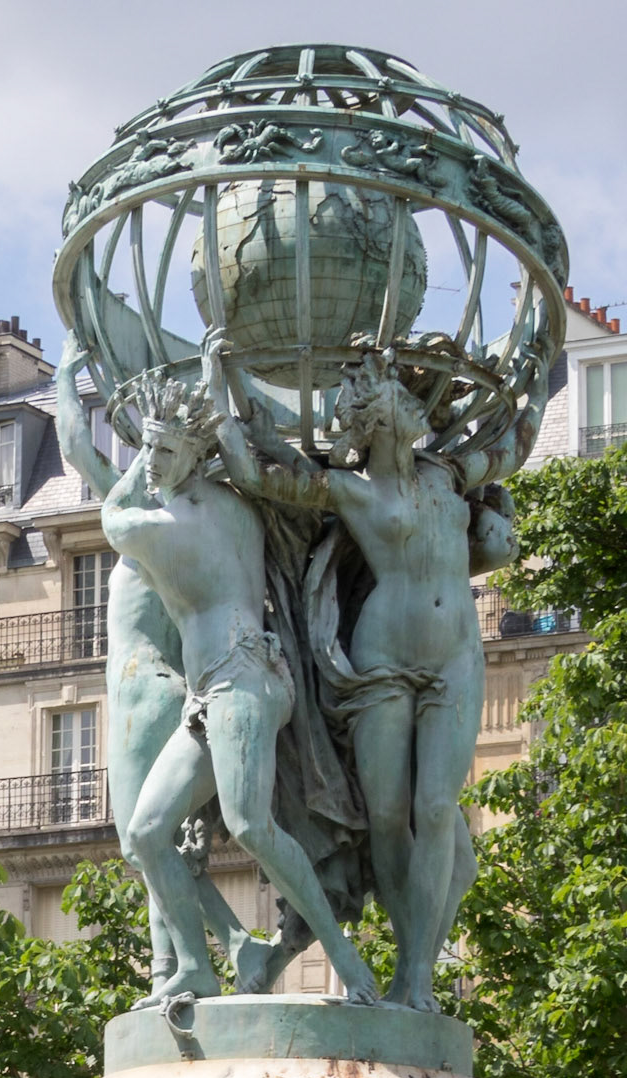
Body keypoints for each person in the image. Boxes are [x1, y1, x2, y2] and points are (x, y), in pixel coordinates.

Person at [212, 339, 541, 1011]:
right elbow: (254, 473)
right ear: (377, 417)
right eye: (395, 400)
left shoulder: (448, 476)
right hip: (380, 661)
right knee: (389, 817)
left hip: (454, 657)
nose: (411, 409)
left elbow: (512, 451)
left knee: (436, 810)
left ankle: (415, 975)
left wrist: (537, 372)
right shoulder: (346, 488)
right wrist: (222, 390)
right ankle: (402, 965)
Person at [99, 364, 379, 1006]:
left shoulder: (178, 526)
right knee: (145, 835)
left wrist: (139, 461)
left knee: (249, 825)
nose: (154, 464)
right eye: (150, 450)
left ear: (195, 455)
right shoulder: (231, 505)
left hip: (243, 680)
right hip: (213, 694)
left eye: (167, 452)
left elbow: (114, 518)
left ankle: (347, 962)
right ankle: (196, 967)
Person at [54, 336, 271, 998]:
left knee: (142, 844)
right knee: (159, 848)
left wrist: (67, 374)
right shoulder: (170, 522)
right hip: (168, 692)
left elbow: (76, 448)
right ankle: (210, 956)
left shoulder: (151, 525)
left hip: (144, 693)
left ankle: (198, 961)